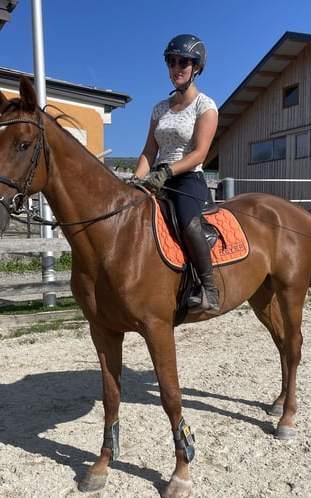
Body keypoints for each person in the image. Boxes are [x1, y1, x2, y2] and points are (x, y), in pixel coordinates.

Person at [134, 34, 220, 312]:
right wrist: (137, 180)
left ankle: (209, 287)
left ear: (197, 68)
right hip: (159, 177)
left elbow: (200, 153)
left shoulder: (205, 106)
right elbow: (149, 150)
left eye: (183, 62)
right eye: (171, 62)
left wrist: (168, 171)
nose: (176, 67)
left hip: (187, 179)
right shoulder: (159, 108)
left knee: (186, 221)